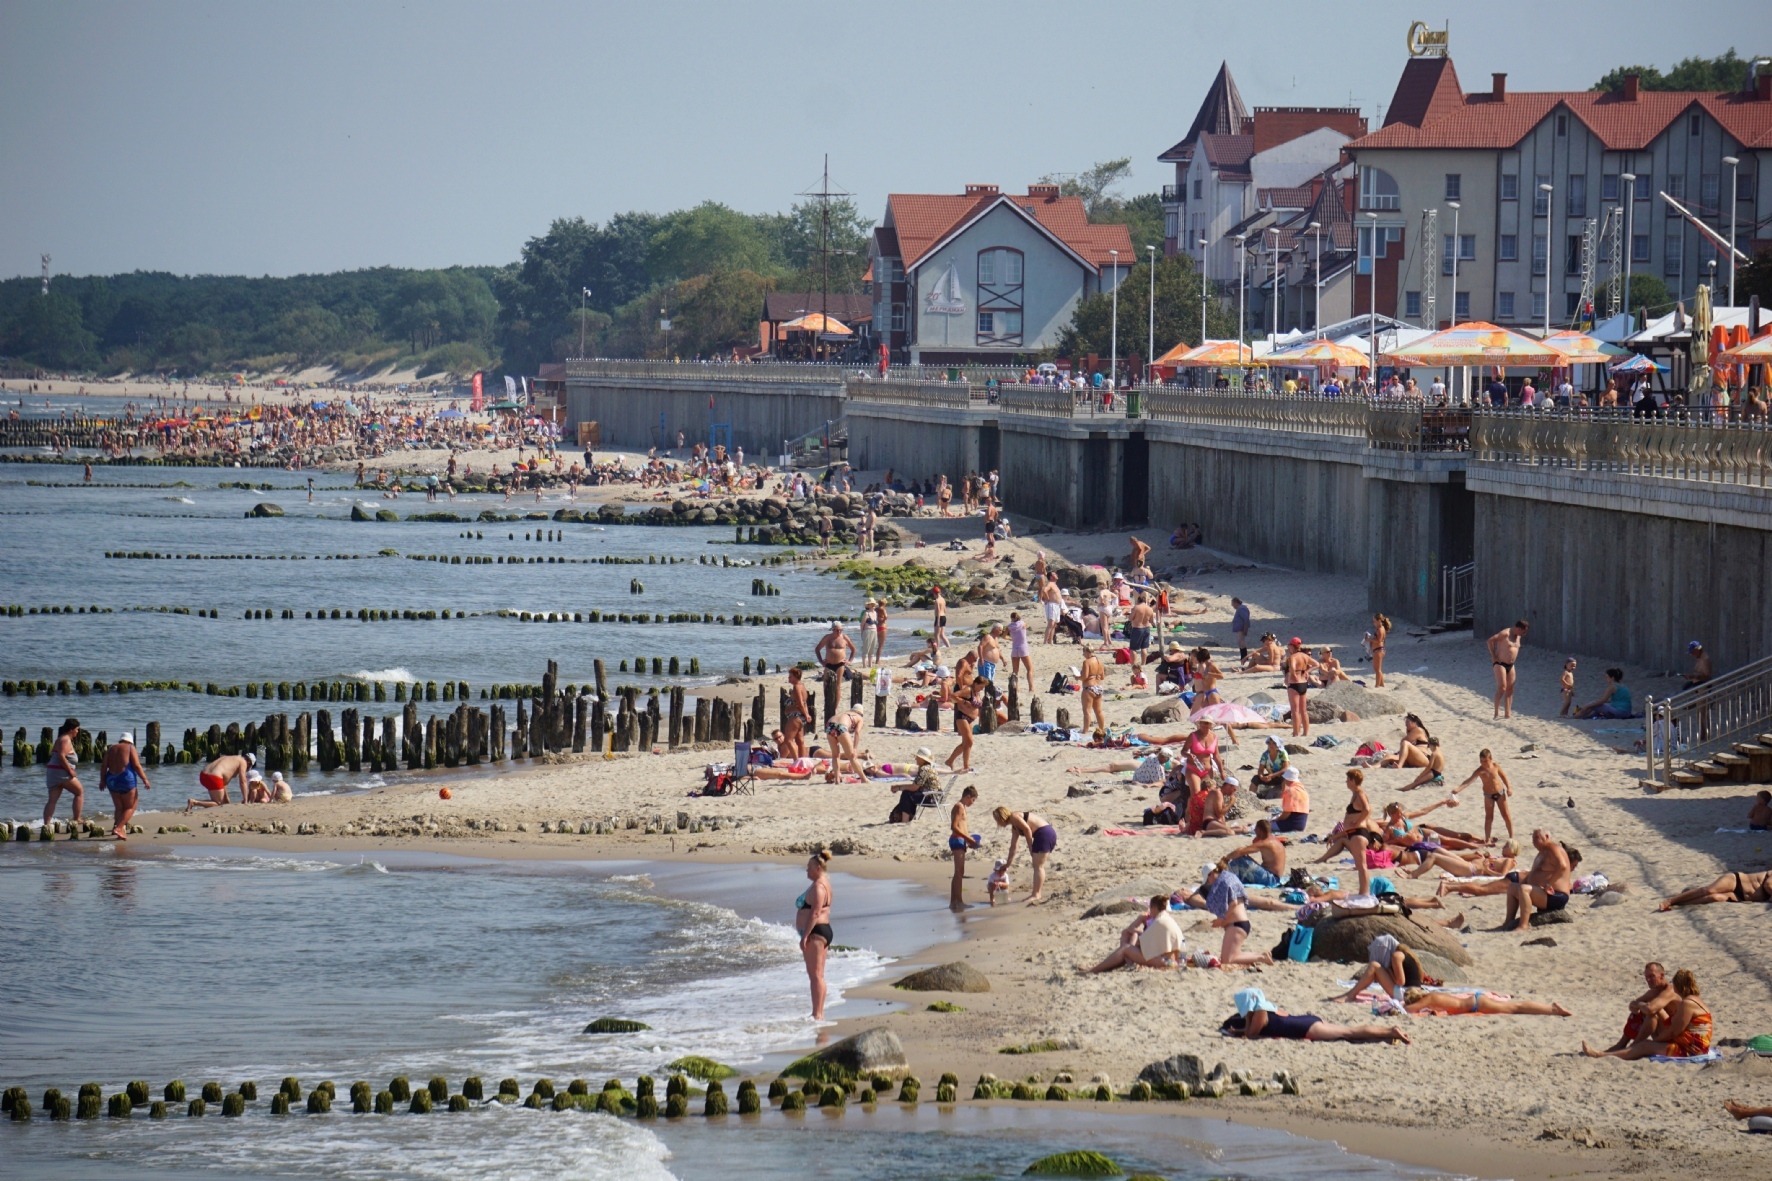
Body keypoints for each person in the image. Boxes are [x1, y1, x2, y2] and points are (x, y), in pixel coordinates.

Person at [1583, 969, 1710, 1059]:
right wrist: (1639, 1005)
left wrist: (1656, 1042)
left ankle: (1601, 1055)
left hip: (1692, 1049)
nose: (1648, 980)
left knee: (1645, 1045)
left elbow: (1674, 1032)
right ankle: (1628, 1047)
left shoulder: (1686, 1003)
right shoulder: (1694, 999)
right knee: (1653, 1013)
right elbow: (1643, 1006)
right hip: (1692, 1043)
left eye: (1651, 976)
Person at [1222, 988, 1409, 1044]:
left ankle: (1391, 1031)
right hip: (1307, 1020)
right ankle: (1386, 1035)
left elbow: (1253, 1034)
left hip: (1306, 1029)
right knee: (1347, 1032)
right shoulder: (1267, 1007)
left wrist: (1238, 1030)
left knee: (1349, 1033)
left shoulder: (1259, 1013)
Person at [1199, 864, 1273, 969]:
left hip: (1236, 925)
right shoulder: (1230, 877)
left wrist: (1220, 920)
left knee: (1227, 960)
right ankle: (1260, 955)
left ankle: (1261, 957)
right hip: (1241, 923)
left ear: (1211, 874)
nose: (1209, 883)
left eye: (1207, 880)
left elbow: (1233, 903)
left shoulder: (1223, 882)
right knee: (1232, 956)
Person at [1502, 829, 1576, 931]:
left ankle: (1523, 925)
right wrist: (1519, 886)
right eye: (1532, 838)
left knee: (1524, 889)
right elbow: (1533, 874)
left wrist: (1548, 883)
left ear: (1546, 837)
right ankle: (1508, 922)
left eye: (1536, 838)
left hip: (1557, 895)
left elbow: (1562, 866)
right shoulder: (1542, 853)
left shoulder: (1553, 849)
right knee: (1512, 887)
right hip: (1543, 893)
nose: (1533, 841)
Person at [1085, 895, 1184, 971]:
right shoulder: (1167, 918)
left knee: (1125, 949)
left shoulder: (1159, 921)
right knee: (1128, 949)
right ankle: (1102, 967)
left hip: (1167, 963)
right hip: (1174, 961)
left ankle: (1094, 970)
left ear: (1153, 908)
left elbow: (1143, 944)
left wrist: (1131, 944)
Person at [1602, 962, 1679, 1050]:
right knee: (1644, 1009)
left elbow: (1651, 1009)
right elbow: (1632, 1005)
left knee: (1654, 1010)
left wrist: (1640, 1005)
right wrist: (1637, 1007)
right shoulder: (1652, 992)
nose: (1648, 980)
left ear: (1661, 976)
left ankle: (1633, 1046)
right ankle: (1622, 1044)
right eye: (1646, 977)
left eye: (1651, 976)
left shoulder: (1670, 991)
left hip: (1675, 1035)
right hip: (1662, 1034)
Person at [796, 850, 833, 1021]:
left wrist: (805, 936)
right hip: (820, 931)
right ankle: (819, 1013)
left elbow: (815, 913)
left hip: (816, 932)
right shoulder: (824, 882)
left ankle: (817, 1014)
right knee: (818, 975)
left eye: (809, 868)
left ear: (818, 868)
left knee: (815, 976)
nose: (806, 871)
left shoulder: (819, 887)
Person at [994, 806, 1057, 904]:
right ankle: (1036, 893)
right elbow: (1013, 846)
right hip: (1044, 834)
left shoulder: (1014, 816)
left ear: (1001, 817)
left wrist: (1030, 847)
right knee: (1038, 865)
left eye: (997, 820)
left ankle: (1036, 894)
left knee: (1038, 866)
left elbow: (1027, 829)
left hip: (1044, 833)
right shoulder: (1014, 827)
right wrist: (1007, 864)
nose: (998, 823)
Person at [99, 731, 150, 840]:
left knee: (119, 807)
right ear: (130, 741)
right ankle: (119, 827)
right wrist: (145, 779)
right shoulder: (130, 748)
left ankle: (119, 830)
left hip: (111, 780)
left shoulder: (111, 749)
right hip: (125, 778)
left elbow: (104, 766)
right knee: (130, 807)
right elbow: (136, 765)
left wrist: (102, 780)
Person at [1455, 748, 1514, 842]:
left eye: (1485, 761)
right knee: (1489, 817)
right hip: (1488, 796)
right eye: (1481, 761)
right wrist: (1458, 789)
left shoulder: (1496, 766)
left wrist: (1509, 788)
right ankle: (1487, 839)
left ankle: (1512, 837)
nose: (1483, 763)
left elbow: (1503, 776)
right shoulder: (1479, 770)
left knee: (1506, 815)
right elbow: (1469, 781)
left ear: (1490, 759)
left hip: (1500, 793)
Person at [1403, 988, 1571, 1017]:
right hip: (1476, 1000)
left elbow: (1410, 1010)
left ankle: (1552, 1009)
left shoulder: (1430, 999)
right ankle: (1551, 1009)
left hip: (1477, 1003)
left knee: (1515, 1008)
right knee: (1514, 1007)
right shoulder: (1431, 997)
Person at [1656, 869, 1772, 909]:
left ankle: (1681, 903)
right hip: (1737, 881)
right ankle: (1671, 900)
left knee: (1714, 898)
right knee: (1709, 890)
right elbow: (1768, 885)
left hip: (1741, 896)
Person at [43, 717, 84, 828]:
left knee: (52, 800)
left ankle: (46, 824)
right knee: (79, 792)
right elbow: (61, 756)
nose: (78, 731)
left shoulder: (61, 739)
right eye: (77, 729)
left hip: (53, 772)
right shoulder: (65, 739)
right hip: (61, 773)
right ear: (71, 729)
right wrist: (70, 771)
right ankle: (77, 818)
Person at [1224, 819, 1287, 886]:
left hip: (1271, 879)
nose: (1255, 832)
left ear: (1259, 830)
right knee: (1244, 857)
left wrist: (1225, 858)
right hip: (1275, 877)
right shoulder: (1274, 840)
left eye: (1255, 829)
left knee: (1240, 858)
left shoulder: (1265, 843)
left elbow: (1240, 851)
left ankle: (1226, 878)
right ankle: (1229, 876)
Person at [1487, 620, 1529, 719]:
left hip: (1511, 664)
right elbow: (1490, 640)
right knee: (1502, 688)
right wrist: (1493, 655)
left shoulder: (1518, 636)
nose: (1524, 634)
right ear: (1518, 629)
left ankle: (1507, 713)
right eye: (1523, 631)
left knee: (1510, 689)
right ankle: (1496, 713)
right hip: (1500, 663)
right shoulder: (1505, 633)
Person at [889, 747, 941, 823]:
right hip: (936, 796)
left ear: (922, 759)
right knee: (910, 794)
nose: (916, 759)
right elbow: (916, 786)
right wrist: (899, 787)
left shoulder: (924, 769)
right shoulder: (929, 767)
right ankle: (909, 817)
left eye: (917, 757)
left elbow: (914, 787)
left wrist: (899, 788)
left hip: (931, 798)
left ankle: (905, 820)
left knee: (906, 794)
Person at [187, 752, 254, 811]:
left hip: (203, 775)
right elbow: (243, 781)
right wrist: (245, 799)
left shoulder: (231, 758)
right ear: (249, 763)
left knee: (218, 800)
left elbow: (224, 781)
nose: (247, 769)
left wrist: (226, 798)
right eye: (249, 767)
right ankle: (194, 802)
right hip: (214, 777)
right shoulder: (243, 762)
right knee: (218, 803)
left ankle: (197, 803)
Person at [813, 620, 855, 702]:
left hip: (840, 664)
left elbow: (853, 649)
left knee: (838, 686)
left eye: (840, 630)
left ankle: (836, 706)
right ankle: (827, 702)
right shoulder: (827, 638)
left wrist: (849, 661)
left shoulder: (844, 637)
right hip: (829, 664)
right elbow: (817, 649)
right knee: (826, 684)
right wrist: (821, 661)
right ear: (833, 629)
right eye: (837, 630)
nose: (839, 631)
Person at [1284, 639, 1318, 737]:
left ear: (1292, 646)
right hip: (1303, 683)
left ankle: (1296, 732)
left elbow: (1293, 667)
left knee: (1295, 710)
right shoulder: (1304, 656)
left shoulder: (1293, 657)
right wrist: (1307, 671)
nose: (1288, 648)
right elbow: (1317, 664)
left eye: (1289, 646)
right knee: (1303, 710)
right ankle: (1306, 732)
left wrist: (1293, 675)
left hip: (1294, 684)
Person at [1124, 594, 1155, 683]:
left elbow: (1130, 618)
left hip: (1137, 628)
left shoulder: (1137, 607)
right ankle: (1143, 663)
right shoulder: (1150, 609)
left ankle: (1133, 664)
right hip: (1146, 628)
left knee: (1133, 648)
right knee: (1144, 647)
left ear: (1138, 601)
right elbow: (1152, 621)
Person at [782, 667, 810, 758]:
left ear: (795, 676)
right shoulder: (802, 685)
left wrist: (806, 714)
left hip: (795, 717)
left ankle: (796, 761)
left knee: (788, 740)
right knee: (800, 741)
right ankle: (803, 760)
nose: (788, 678)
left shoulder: (797, 687)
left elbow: (800, 703)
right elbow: (804, 703)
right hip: (800, 717)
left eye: (790, 676)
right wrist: (807, 714)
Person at [1078, 644, 1106, 733]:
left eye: (1084, 653)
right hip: (1098, 687)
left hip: (1089, 688)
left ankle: (1085, 731)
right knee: (1098, 711)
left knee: (1087, 711)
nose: (1083, 655)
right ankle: (1101, 729)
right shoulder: (1099, 662)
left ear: (1087, 652)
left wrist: (1077, 677)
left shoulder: (1087, 662)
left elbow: (1085, 677)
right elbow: (1102, 677)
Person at [1276, 767, 1310, 833]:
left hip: (1291, 824)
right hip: (1301, 824)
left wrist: (1276, 820)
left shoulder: (1291, 791)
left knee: (1266, 825)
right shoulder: (1302, 789)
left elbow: (1287, 813)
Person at [1007, 611, 1033, 695]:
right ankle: (1031, 688)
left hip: (1015, 648)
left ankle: (1016, 688)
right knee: (1029, 669)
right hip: (1023, 648)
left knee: (1015, 671)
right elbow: (1025, 625)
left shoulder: (1009, 627)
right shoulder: (1022, 623)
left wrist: (1010, 638)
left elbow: (1003, 636)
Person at [1366, 613, 1391, 687]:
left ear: (1379, 620)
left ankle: (1377, 685)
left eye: (1374, 621)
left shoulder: (1380, 629)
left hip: (1378, 650)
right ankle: (1382, 684)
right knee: (1378, 669)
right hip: (1378, 650)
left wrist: (1369, 639)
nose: (1374, 623)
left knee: (1377, 669)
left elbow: (1379, 640)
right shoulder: (1381, 628)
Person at [1040, 575, 1065, 645]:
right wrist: (1047, 598)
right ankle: (1045, 641)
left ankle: (1051, 641)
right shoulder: (1050, 583)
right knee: (1051, 623)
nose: (1057, 575)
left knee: (1054, 625)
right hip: (1052, 604)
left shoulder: (1055, 585)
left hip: (1057, 605)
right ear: (1051, 577)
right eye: (1054, 574)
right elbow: (1044, 590)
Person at [860, 600, 881, 668]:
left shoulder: (875, 613)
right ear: (869, 605)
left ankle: (870, 664)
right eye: (872, 604)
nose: (874, 606)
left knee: (872, 648)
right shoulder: (866, 613)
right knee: (866, 648)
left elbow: (876, 623)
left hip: (874, 631)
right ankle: (864, 665)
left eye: (874, 604)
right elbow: (862, 624)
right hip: (867, 631)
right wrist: (862, 633)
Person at [1229, 597, 1250, 662]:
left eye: (1233, 604)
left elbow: (1246, 619)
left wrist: (1245, 629)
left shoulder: (1241, 609)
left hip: (1241, 628)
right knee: (1240, 642)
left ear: (1236, 603)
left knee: (1241, 642)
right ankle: (1243, 657)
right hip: (1240, 628)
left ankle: (1244, 657)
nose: (1232, 606)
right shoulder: (1241, 608)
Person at [931, 585, 949, 649]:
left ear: (934, 593)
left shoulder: (937, 600)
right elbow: (945, 609)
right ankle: (948, 646)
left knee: (936, 635)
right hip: (944, 617)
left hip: (939, 618)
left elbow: (938, 611)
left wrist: (938, 621)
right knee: (942, 634)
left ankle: (937, 648)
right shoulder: (943, 599)